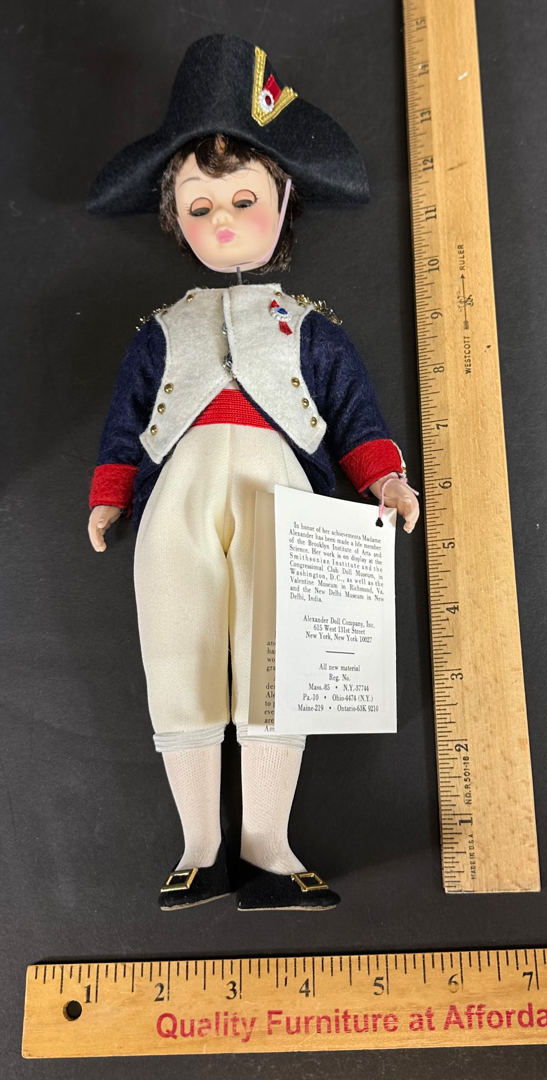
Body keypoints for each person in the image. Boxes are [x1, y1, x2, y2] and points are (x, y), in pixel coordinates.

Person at [86, 35, 420, 912]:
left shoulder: (310, 327)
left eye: (242, 200)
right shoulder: (162, 330)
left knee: (286, 659)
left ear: (283, 201)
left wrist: (384, 480)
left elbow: (353, 415)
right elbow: (127, 419)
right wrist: (110, 494)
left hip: (287, 505)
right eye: (200, 207)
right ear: (175, 218)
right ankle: (200, 845)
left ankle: (268, 845)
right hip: (177, 500)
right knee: (178, 650)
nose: (223, 221)